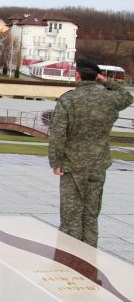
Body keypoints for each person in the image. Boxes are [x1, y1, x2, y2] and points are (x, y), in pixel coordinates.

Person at [48, 59, 132, 247]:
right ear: (96, 77)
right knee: (91, 215)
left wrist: (55, 161)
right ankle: (89, 260)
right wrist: (105, 81)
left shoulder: (69, 99)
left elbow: (58, 134)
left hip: (73, 166)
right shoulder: (109, 99)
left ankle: (70, 260)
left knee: (71, 217)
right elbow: (127, 96)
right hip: (97, 165)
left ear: (77, 75)